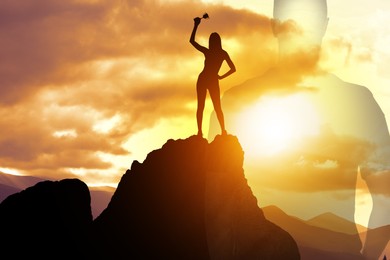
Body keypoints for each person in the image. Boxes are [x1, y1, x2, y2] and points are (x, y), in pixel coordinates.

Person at [208, 0, 390, 259]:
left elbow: (214, 207)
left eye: (308, 25)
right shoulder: (359, 103)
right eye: (295, 25)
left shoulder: (233, 104)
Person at [190, 16, 236, 137]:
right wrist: (221, 76)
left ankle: (202, 132)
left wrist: (196, 26)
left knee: (203, 107)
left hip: (205, 79)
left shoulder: (209, 52)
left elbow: (192, 41)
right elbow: (233, 69)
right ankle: (222, 131)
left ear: (211, 42)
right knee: (215, 107)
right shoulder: (222, 53)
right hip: (211, 80)